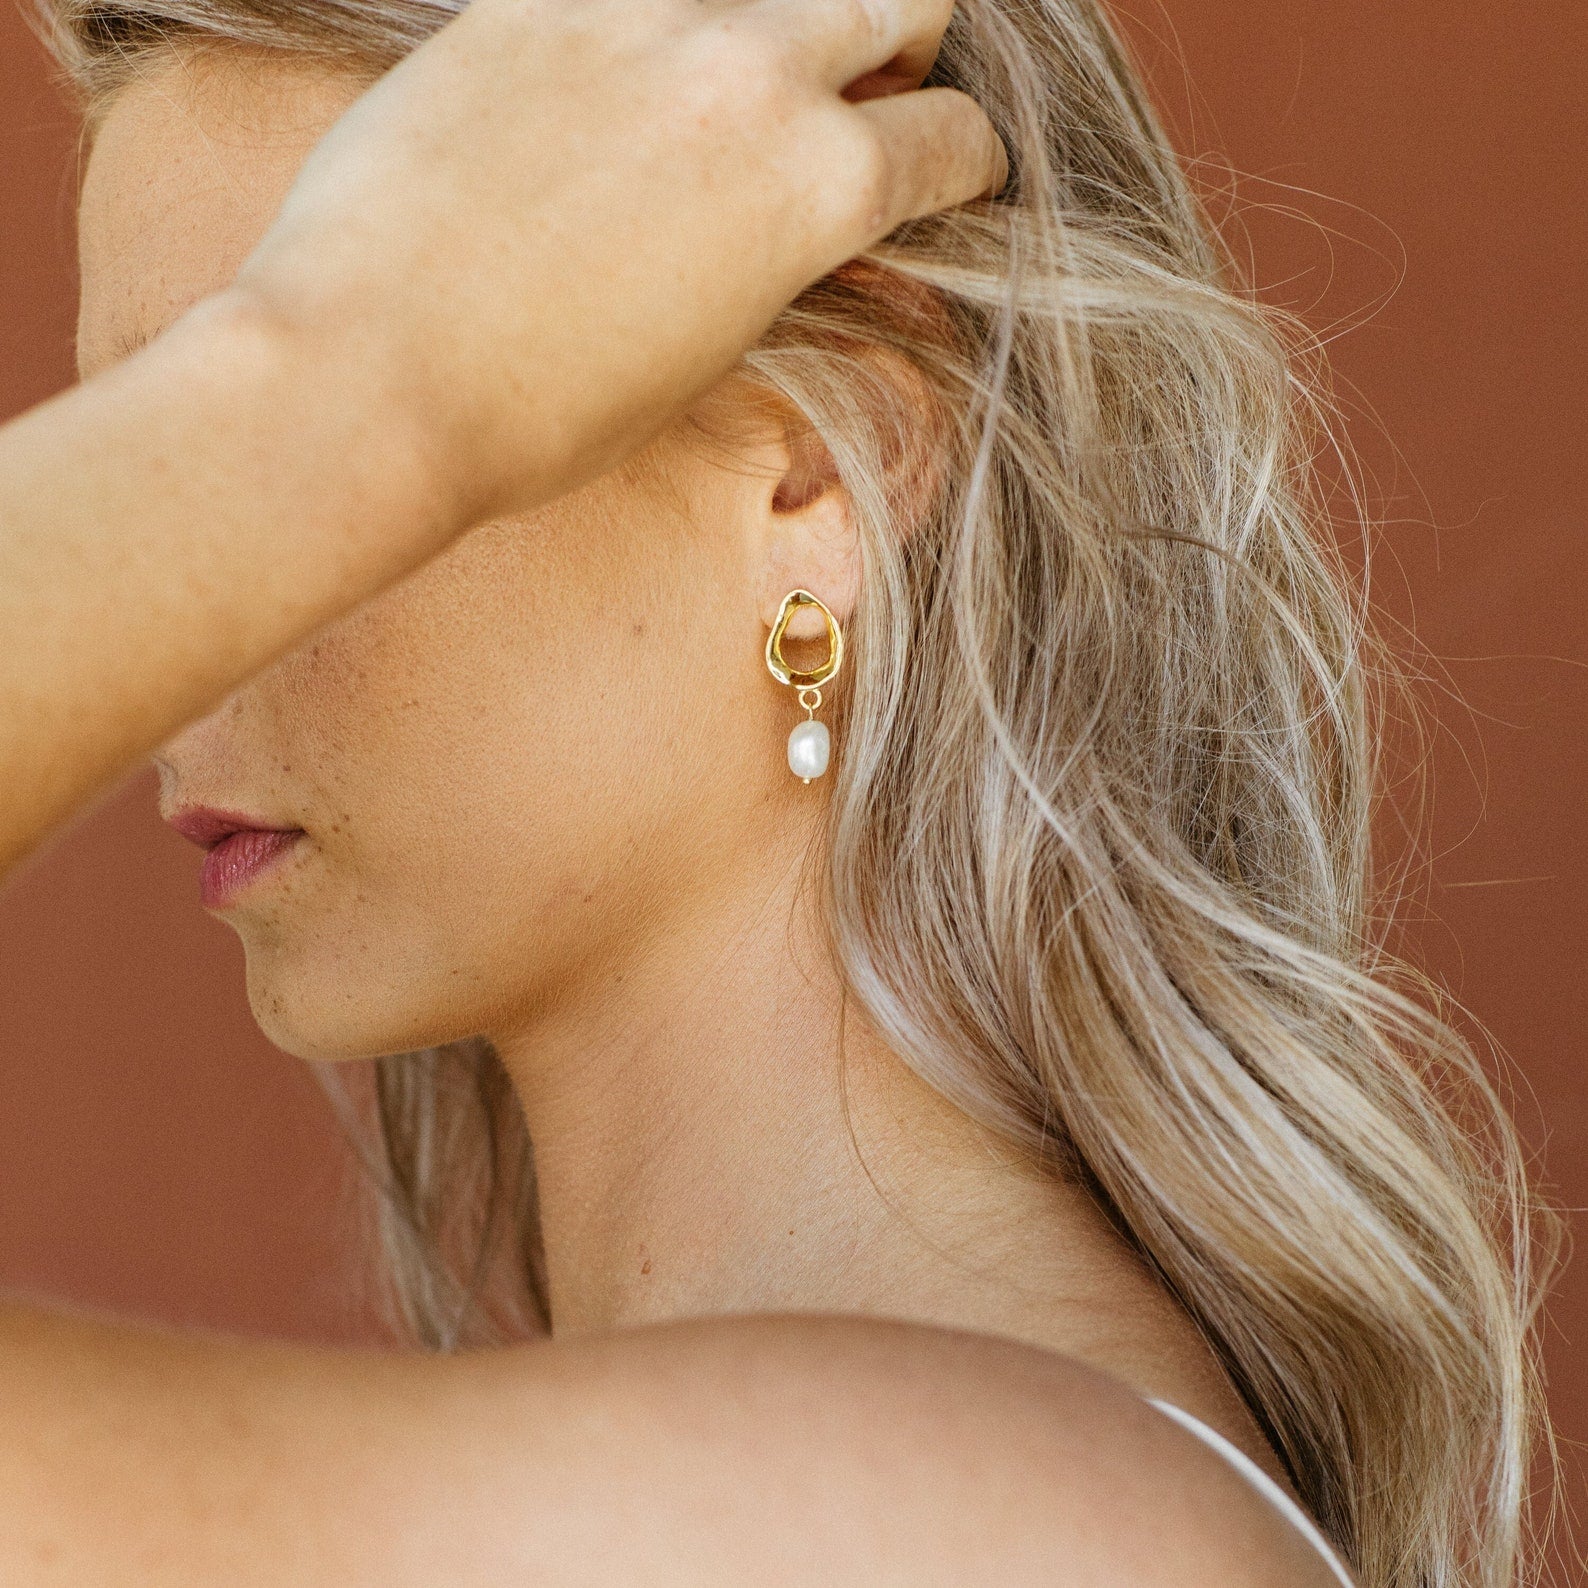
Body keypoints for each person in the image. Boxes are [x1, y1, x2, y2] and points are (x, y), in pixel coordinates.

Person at [0, 0, 1557, 1579]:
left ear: (827, 458)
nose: (175, 653)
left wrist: (348, 380)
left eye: (299, 468)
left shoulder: (968, 1524)